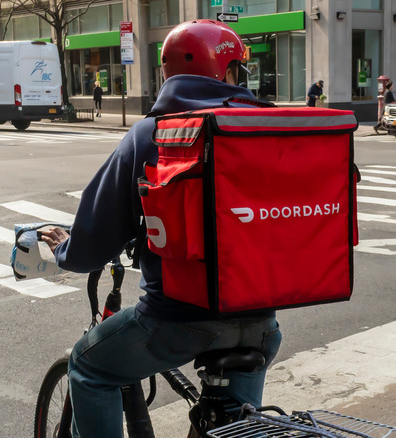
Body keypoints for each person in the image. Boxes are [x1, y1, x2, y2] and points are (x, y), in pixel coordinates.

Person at [38, 19, 281, 438]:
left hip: (178, 323)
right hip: (261, 324)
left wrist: (65, 249)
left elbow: (93, 241)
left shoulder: (152, 134)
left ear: (169, 74)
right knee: (239, 426)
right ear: (226, 72)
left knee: (89, 366)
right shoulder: (270, 129)